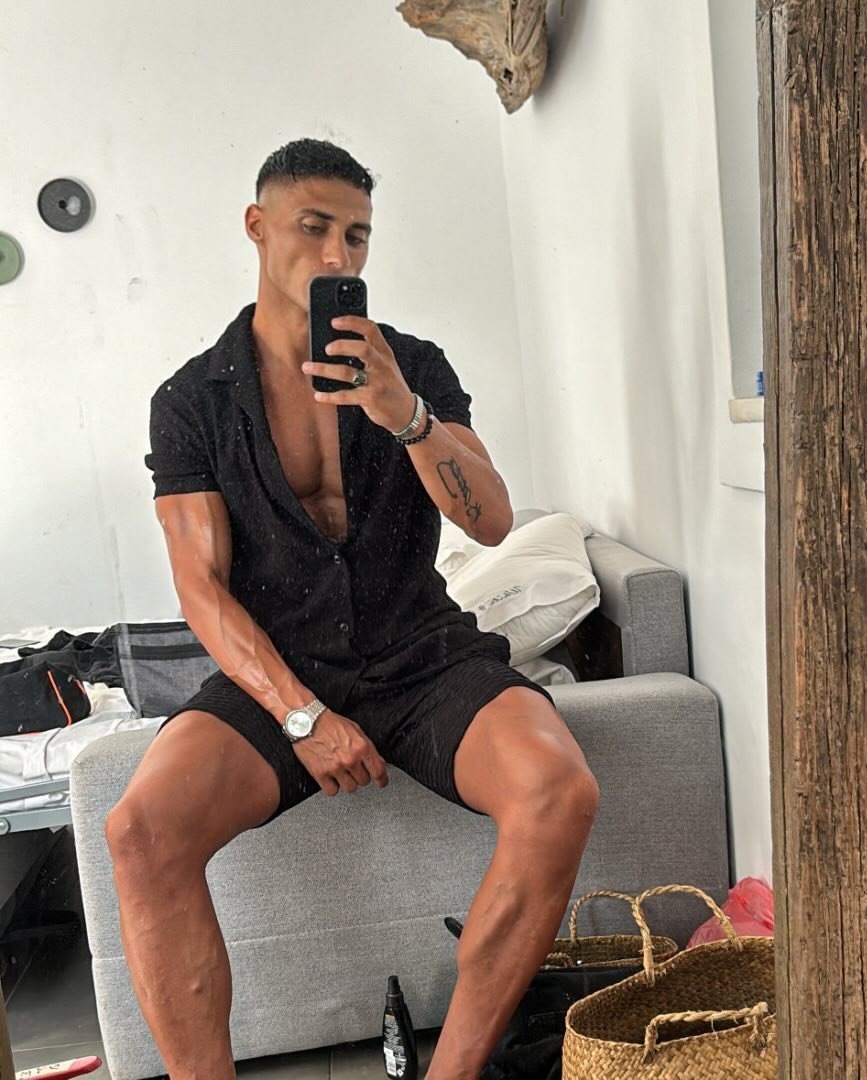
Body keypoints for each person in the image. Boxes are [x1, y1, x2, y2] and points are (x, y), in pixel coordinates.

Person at [106, 138, 600, 1080]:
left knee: (559, 790)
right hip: (278, 671)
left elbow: (492, 522)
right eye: (314, 227)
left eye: (357, 236)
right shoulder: (193, 399)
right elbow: (201, 587)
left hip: (421, 656)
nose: (338, 254)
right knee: (138, 830)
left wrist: (404, 413)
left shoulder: (411, 366)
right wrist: (301, 715)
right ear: (258, 227)